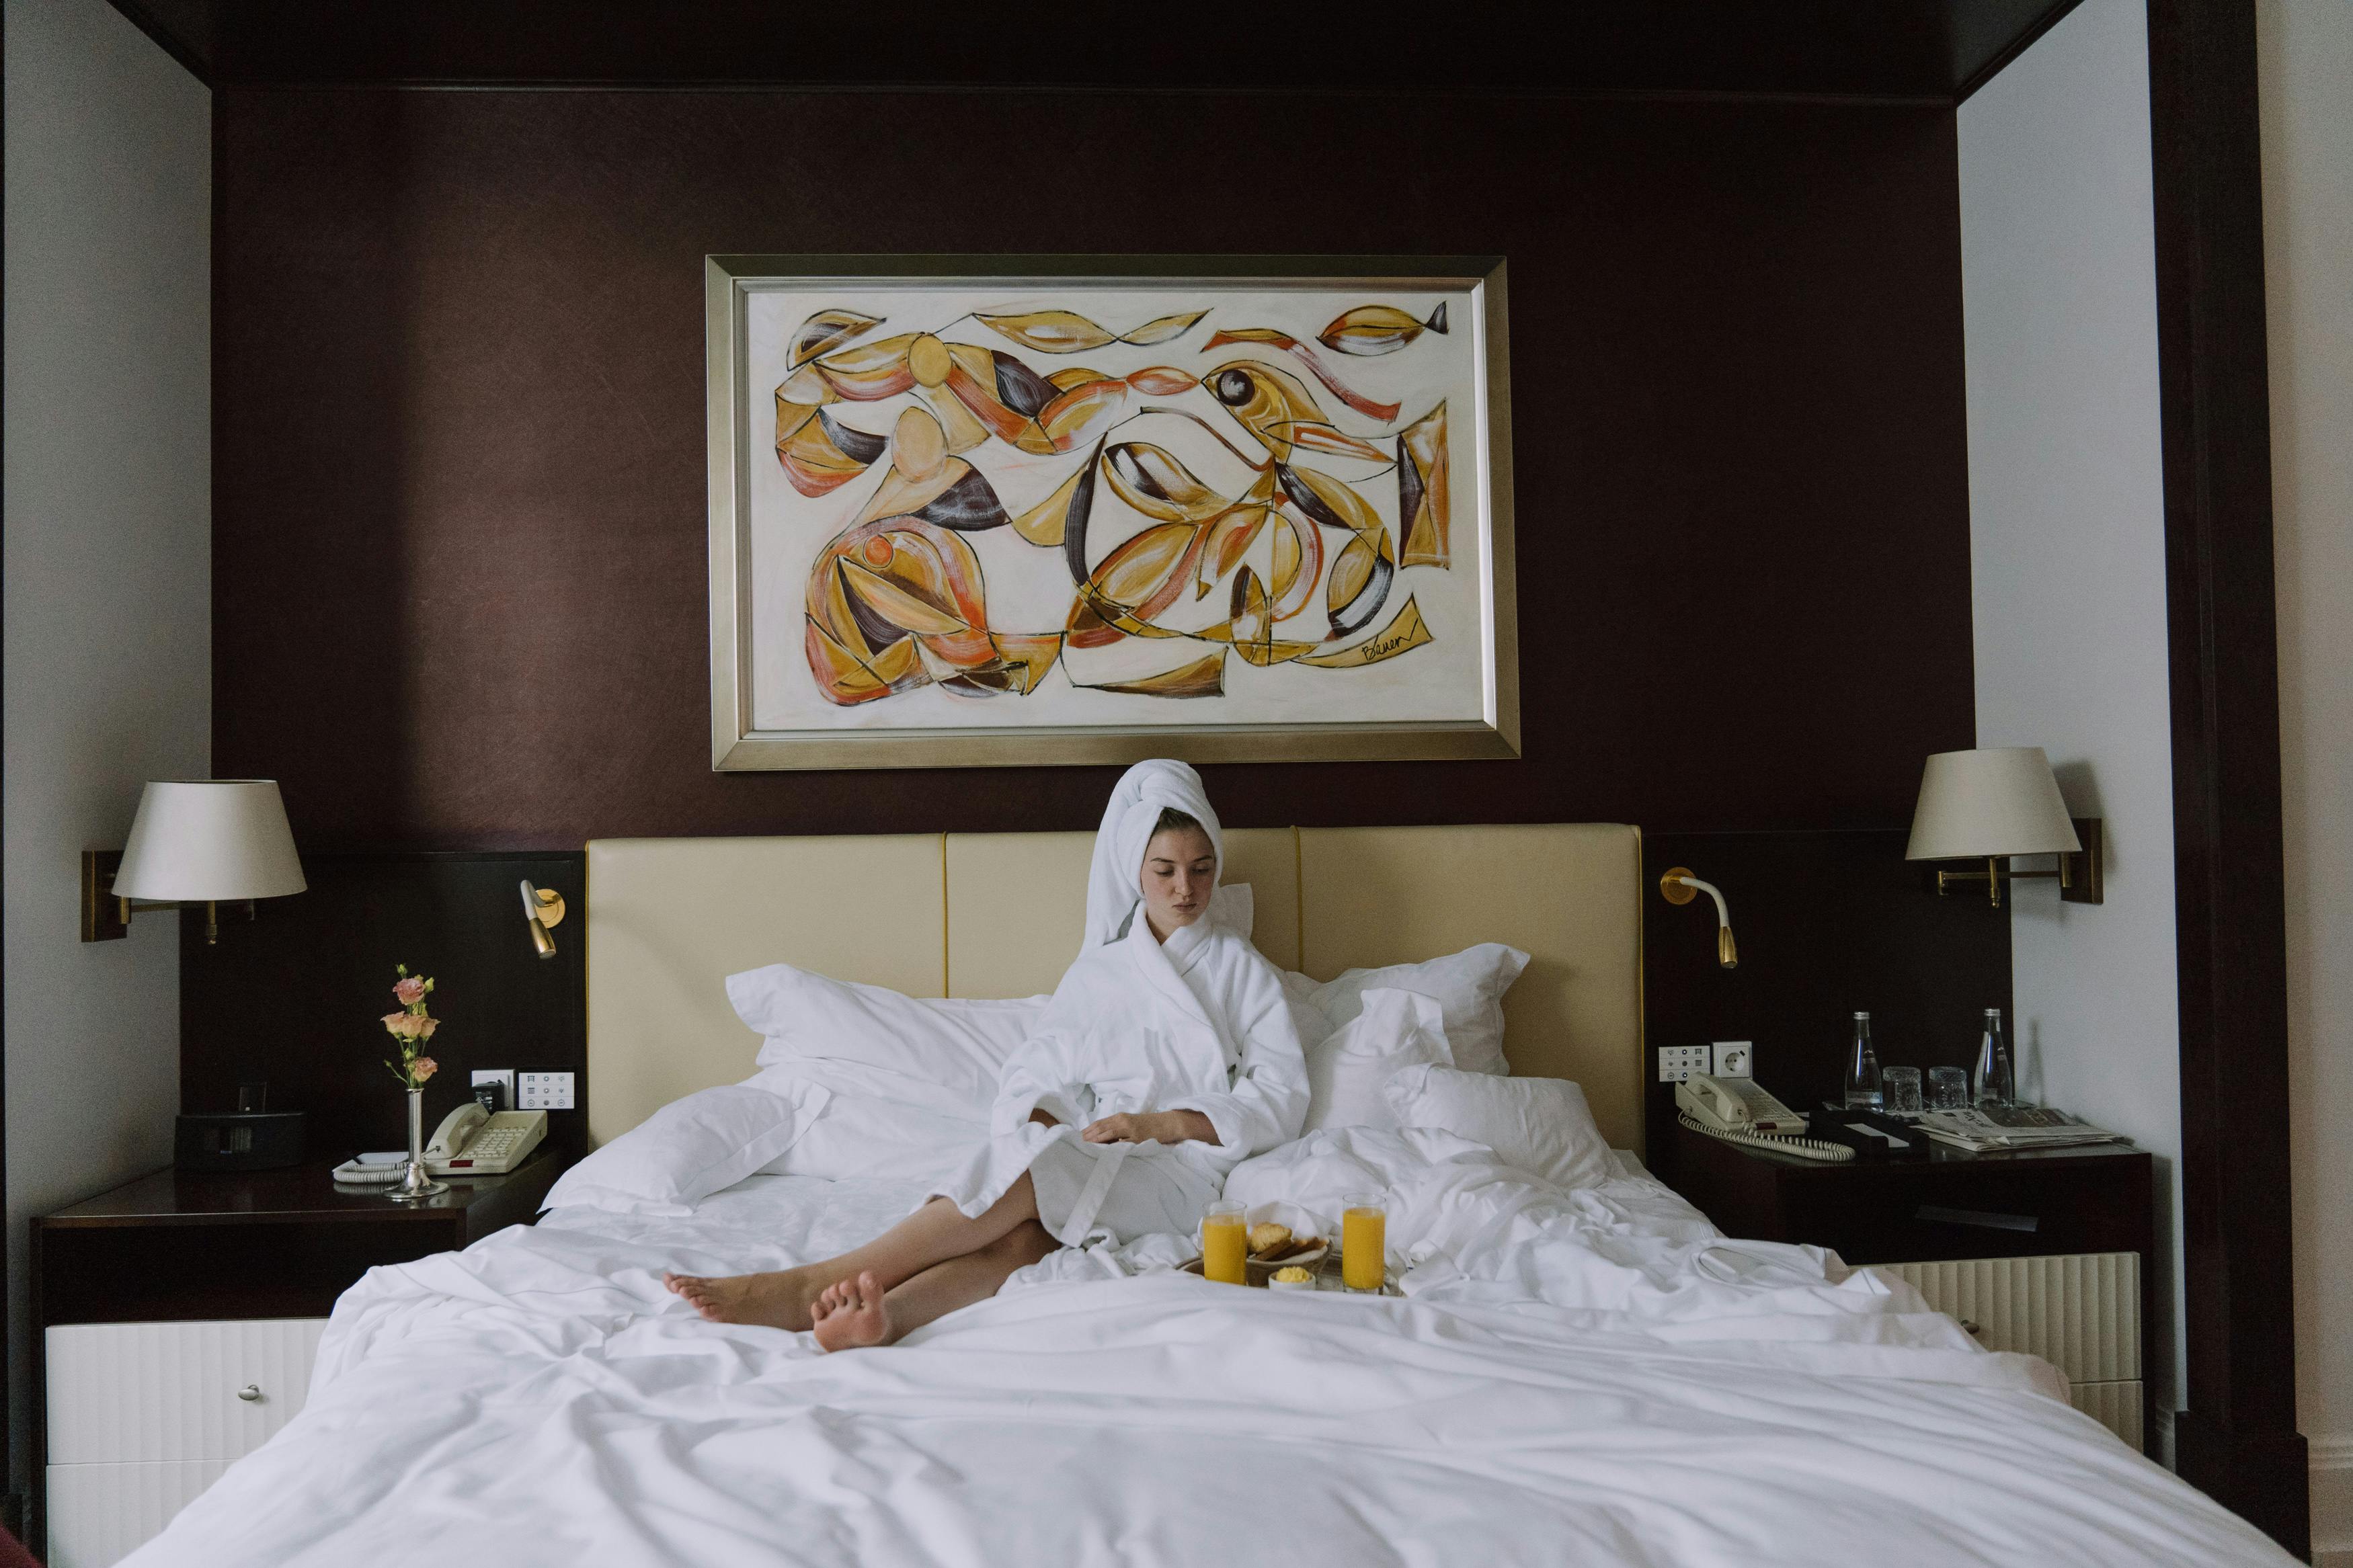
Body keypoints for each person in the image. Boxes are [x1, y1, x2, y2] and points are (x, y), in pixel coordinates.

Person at [664, 759, 1309, 1352]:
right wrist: (1046, 1116)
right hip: (1095, 1148)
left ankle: (818, 1280)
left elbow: (1281, 1092)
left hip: (1181, 1173)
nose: (1184, 888)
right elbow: (1033, 1071)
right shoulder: (1099, 975)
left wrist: (1168, 1123)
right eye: (1164, 869)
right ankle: (888, 1318)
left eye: (1201, 867)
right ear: (1134, 871)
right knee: (1022, 1238)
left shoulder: (1243, 972)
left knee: (1031, 1174)